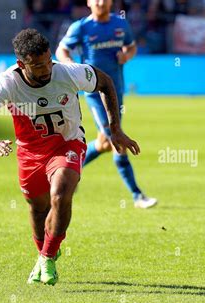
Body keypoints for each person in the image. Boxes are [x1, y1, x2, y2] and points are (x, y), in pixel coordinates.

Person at [0, 28, 140, 286]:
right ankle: (44, 252)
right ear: (21, 64)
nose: (46, 69)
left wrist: (115, 129)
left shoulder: (68, 72)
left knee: (60, 192)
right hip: (30, 153)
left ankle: (47, 257)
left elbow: (105, 83)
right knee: (38, 208)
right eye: (37, 65)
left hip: (67, 143)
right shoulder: (6, 83)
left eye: (48, 60)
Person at [56, 0, 157, 209]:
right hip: (94, 91)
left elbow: (131, 46)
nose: (101, 2)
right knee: (115, 138)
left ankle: (66, 174)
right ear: (89, 3)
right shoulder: (81, 27)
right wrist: (71, 66)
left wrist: (126, 55)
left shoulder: (120, 24)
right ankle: (138, 195)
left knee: (103, 143)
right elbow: (61, 50)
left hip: (116, 91)